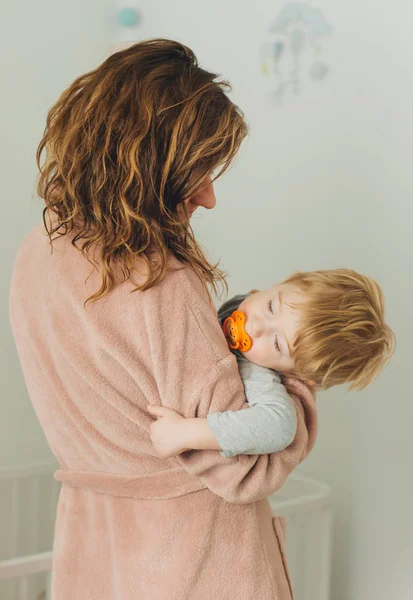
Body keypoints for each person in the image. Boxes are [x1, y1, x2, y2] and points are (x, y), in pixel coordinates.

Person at [9, 39, 317, 600]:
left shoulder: (36, 252)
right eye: (197, 172)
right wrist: (294, 383)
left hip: (94, 547)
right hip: (195, 559)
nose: (209, 197)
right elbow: (242, 470)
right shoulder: (160, 283)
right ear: (151, 166)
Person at [148, 270, 395, 459]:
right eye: (271, 306)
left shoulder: (258, 375)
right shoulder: (242, 304)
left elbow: (279, 428)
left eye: (277, 343)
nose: (255, 326)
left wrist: (183, 433)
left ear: (297, 374)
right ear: (283, 283)